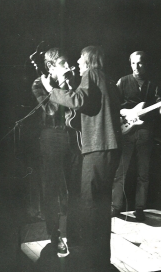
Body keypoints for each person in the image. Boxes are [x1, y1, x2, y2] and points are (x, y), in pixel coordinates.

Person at [41, 46, 122, 272]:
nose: (76, 63)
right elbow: (87, 109)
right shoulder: (105, 79)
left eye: (79, 58)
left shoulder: (90, 75)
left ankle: (91, 264)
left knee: (91, 206)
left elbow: (78, 102)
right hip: (109, 148)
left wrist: (51, 89)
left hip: (98, 148)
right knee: (102, 207)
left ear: (88, 60)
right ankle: (100, 261)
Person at [111, 51, 161, 222]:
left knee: (143, 172)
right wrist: (128, 112)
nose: (136, 67)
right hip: (126, 129)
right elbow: (113, 105)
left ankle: (139, 208)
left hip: (146, 131)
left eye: (140, 63)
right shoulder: (122, 82)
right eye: (133, 63)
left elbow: (160, 108)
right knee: (120, 171)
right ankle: (115, 207)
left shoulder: (153, 85)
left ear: (145, 64)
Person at [32, 47, 81, 257]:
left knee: (74, 188)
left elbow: (78, 105)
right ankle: (55, 235)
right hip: (50, 137)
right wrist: (60, 86)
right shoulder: (38, 84)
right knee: (51, 189)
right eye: (63, 63)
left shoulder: (70, 81)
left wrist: (68, 84)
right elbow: (51, 110)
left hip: (71, 137)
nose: (69, 66)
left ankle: (73, 235)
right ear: (51, 66)